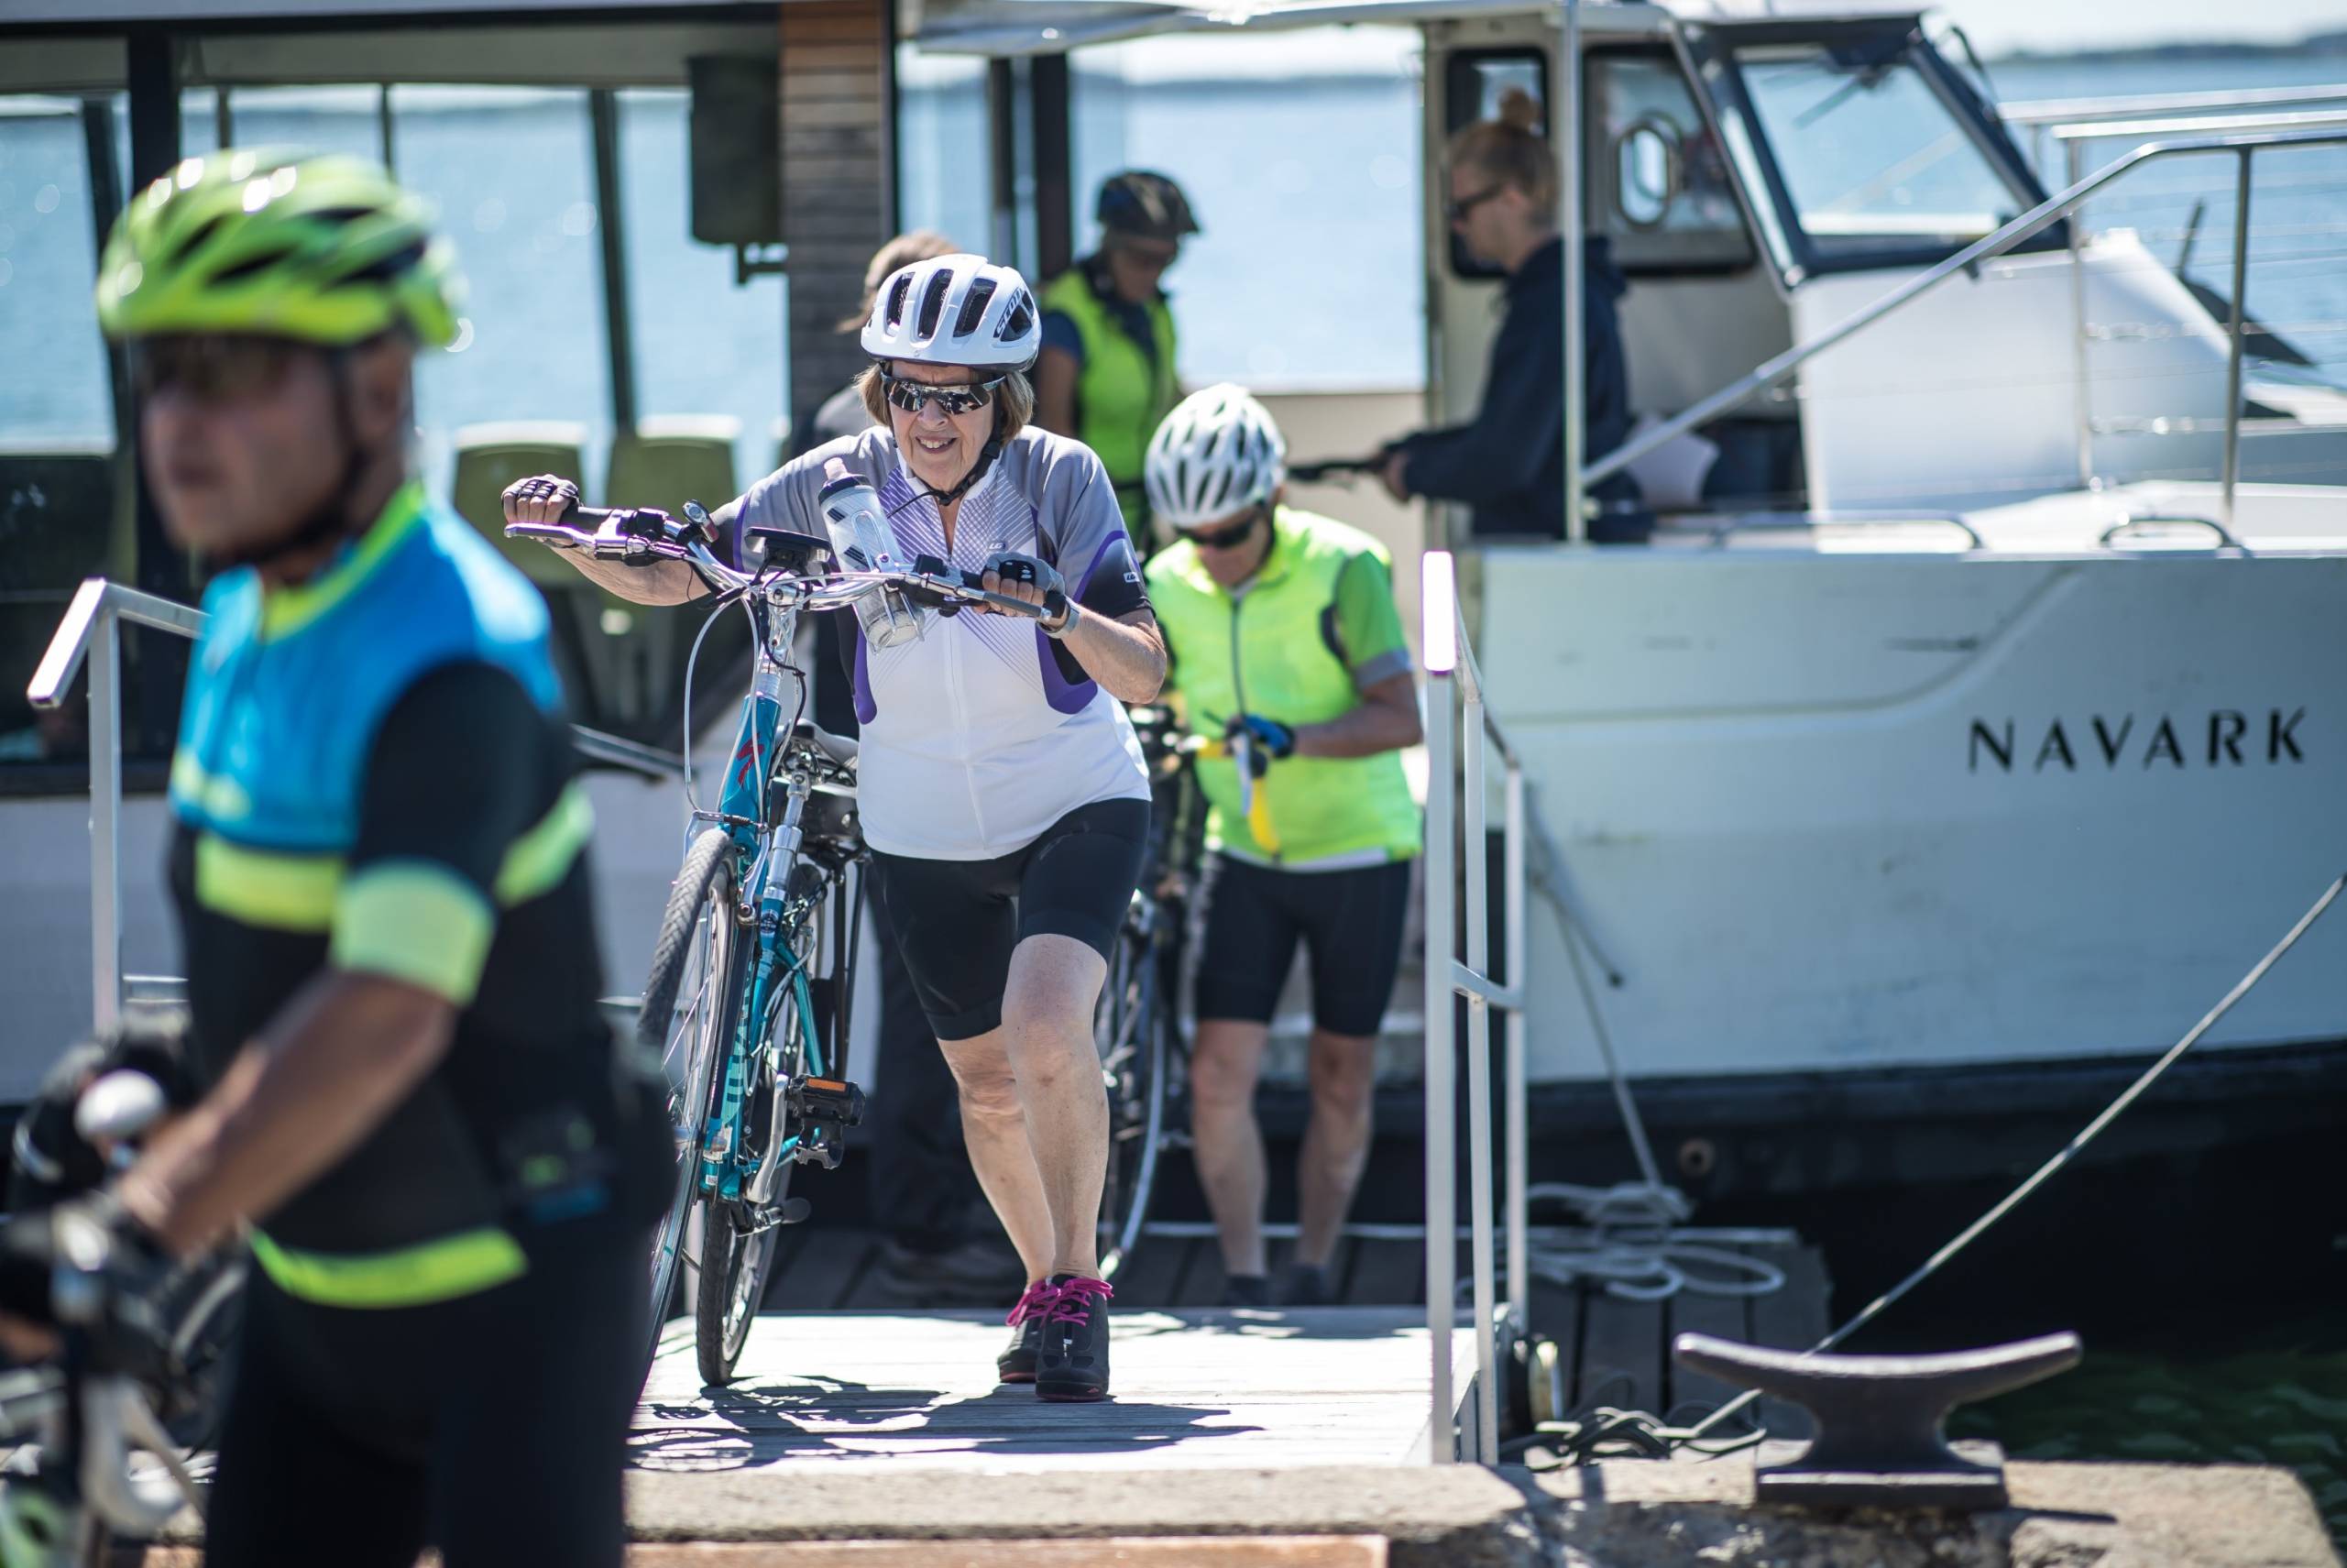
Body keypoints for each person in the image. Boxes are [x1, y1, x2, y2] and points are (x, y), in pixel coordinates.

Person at [0, 150, 664, 1566]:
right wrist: (145, 1063)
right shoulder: (246, 612)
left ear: (377, 389)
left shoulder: (455, 659)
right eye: (162, 373)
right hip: (313, 1297)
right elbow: (279, 947)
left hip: (516, 1309)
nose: (177, 423)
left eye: (235, 372)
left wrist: (139, 1220)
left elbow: (386, 1008)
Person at [510, 252, 1167, 1402]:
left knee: (1047, 1026)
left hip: (1072, 793)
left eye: (957, 394)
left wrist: (1059, 609)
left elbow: (1146, 669)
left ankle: (1076, 1291)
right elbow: (687, 566)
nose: (929, 416)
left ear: (1002, 397)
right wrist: (575, 541)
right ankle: (1038, 1281)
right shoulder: (836, 478)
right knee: (985, 1084)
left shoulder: (1059, 477)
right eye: (907, 389)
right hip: (917, 820)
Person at [1142, 385, 1423, 1308]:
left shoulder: (1344, 567)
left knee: (1339, 1075)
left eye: (1229, 533)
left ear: (1270, 502)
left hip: (1359, 854)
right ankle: (1245, 1277)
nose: (1212, 556)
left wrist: (1291, 737)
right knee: (1215, 1073)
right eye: (1196, 537)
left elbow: (1399, 716)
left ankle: (1312, 1264)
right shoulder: (1167, 580)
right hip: (1244, 857)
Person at [795, 229, 1025, 1306]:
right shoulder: (900, 442)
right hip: (915, 739)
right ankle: (928, 1228)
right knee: (939, 992)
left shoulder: (825, 431)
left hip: (845, 725)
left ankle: (924, 1217)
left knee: (902, 984)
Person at [1379, 91, 1647, 543]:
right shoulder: (1561, 293)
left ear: (1513, 197)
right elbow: (1509, 432)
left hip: (1556, 545)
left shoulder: (1551, 305)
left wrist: (1414, 473)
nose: (1457, 226)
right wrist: (1411, 451)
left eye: (1461, 209)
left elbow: (1505, 460)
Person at [1036, 171, 1199, 547]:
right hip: (1087, 526)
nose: (1154, 273)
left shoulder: (1153, 308)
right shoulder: (1068, 314)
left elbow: (1169, 394)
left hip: (1145, 511)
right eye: (1143, 259)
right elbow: (1054, 427)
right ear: (1111, 246)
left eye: (1167, 259)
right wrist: (1092, 520)